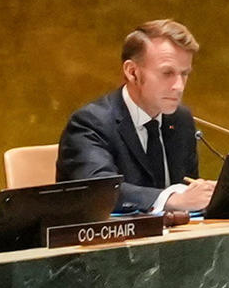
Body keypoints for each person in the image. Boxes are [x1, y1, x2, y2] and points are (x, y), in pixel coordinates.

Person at [55, 18, 216, 219]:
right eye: (167, 73)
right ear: (132, 72)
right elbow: (100, 191)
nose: (179, 86)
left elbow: (185, 190)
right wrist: (169, 199)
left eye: (184, 74)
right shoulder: (91, 123)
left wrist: (208, 193)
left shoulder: (180, 119)